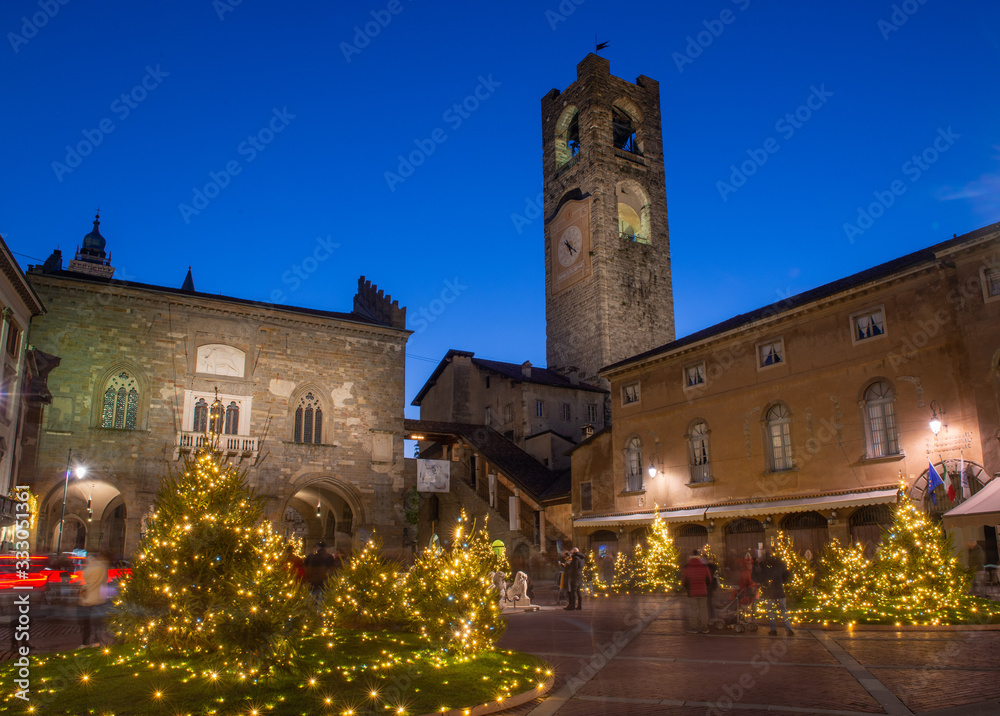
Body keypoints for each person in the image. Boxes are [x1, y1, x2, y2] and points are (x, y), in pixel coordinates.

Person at [753, 550, 794, 636]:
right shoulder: (779, 565)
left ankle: (773, 629)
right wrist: (781, 582)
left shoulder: (764, 566)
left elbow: (757, 578)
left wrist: (755, 566)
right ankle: (788, 629)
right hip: (779, 591)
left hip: (768, 593)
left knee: (770, 612)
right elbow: (786, 574)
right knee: (783, 611)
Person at [78, 550, 110, 648]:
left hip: (88, 598)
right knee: (97, 623)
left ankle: (85, 643)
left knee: (86, 623)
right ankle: (97, 642)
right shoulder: (104, 567)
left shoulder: (92, 567)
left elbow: (84, 576)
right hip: (99, 598)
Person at [681, 549, 712, 633]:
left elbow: (683, 581)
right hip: (703, 592)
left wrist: (687, 587)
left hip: (692, 592)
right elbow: (709, 580)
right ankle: (705, 627)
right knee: (703, 609)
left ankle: (693, 627)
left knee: (693, 610)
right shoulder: (704, 568)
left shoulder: (686, 568)